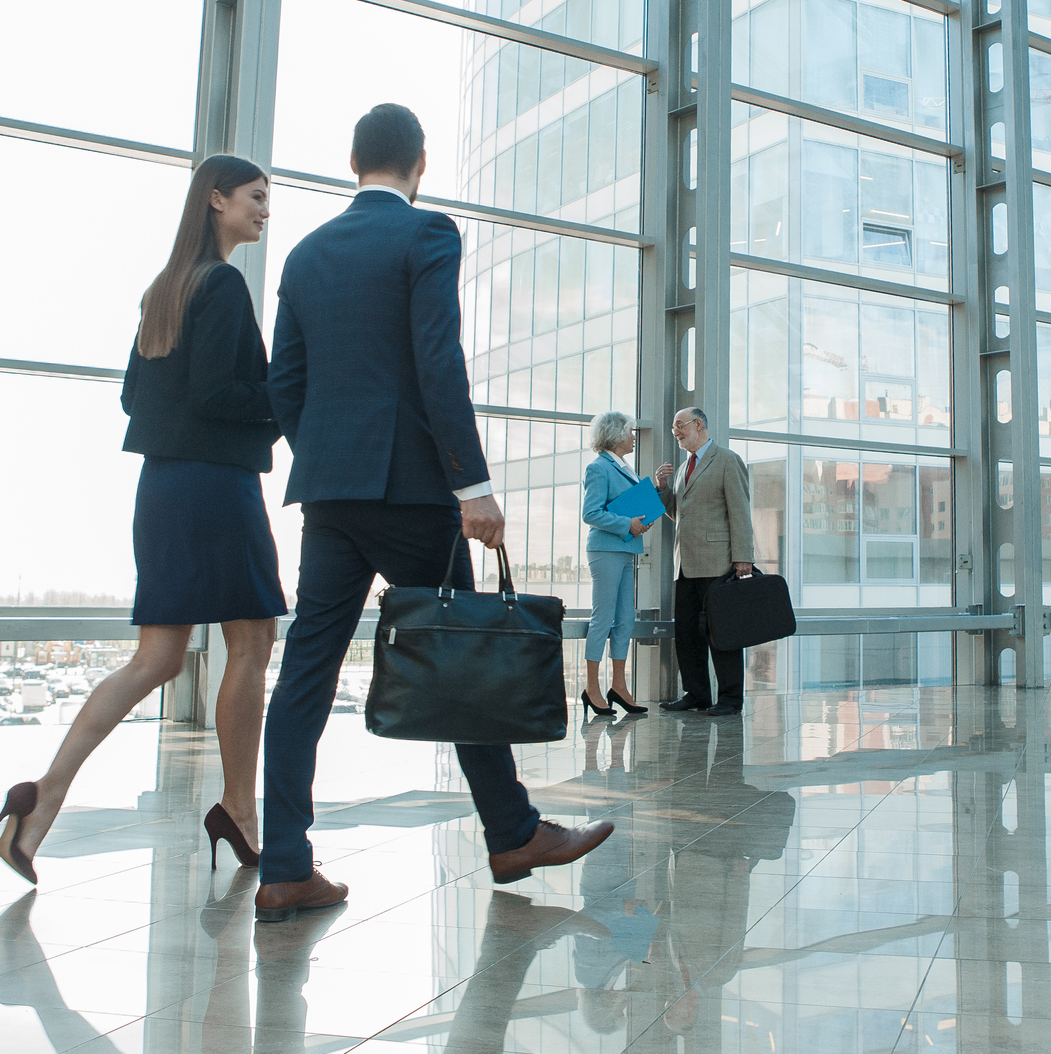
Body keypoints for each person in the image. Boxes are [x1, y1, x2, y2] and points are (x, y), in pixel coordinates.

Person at [253, 103, 613, 922]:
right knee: (459, 653)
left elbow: (285, 384)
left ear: (352, 161)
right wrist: (470, 484)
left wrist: (332, 454)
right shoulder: (427, 235)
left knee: (305, 674)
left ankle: (283, 865)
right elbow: (436, 359)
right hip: (415, 490)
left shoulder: (306, 254)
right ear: (419, 162)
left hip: (331, 493)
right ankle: (513, 832)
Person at [0, 155, 284, 884]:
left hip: (163, 490)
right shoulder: (223, 285)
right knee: (250, 644)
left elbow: (132, 400)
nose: (265, 210)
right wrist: (287, 398)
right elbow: (219, 393)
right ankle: (240, 811)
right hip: (216, 488)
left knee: (157, 658)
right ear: (215, 200)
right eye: (255, 197)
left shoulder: (164, 291)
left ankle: (41, 799)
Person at [653, 407, 756, 717]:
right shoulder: (685, 467)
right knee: (686, 633)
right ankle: (696, 694)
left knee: (721, 632)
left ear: (698, 424)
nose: (676, 433)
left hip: (718, 563)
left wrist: (743, 557)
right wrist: (662, 489)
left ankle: (729, 700)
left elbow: (739, 511)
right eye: (674, 429)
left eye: (679, 426)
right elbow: (679, 515)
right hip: (684, 563)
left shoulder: (726, 460)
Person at [580, 410, 652, 718]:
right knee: (603, 617)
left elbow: (628, 505)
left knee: (625, 618)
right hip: (606, 550)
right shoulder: (598, 468)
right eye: (630, 432)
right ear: (615, 435)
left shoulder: (623, 466)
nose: (634, 436)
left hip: (625, 550)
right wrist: (627, 524)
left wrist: (650, 498)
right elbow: (590, 513)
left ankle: (619, 686)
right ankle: (592, 687)